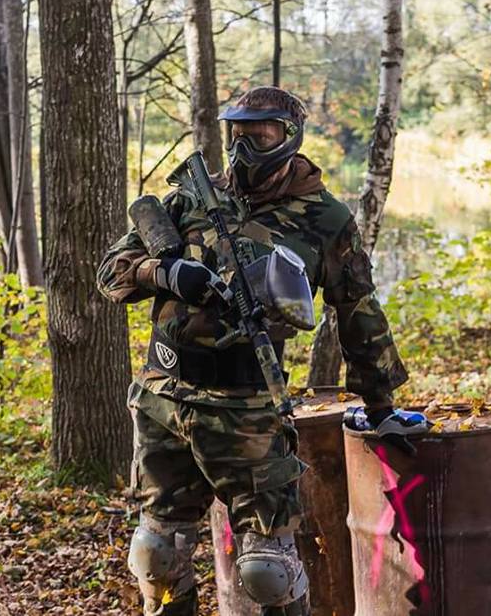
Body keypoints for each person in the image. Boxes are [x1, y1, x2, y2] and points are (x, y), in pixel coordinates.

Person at [96, 85, 424, 616]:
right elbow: (109, 276)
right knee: (157, 552)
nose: (245, 148)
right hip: (164, 396)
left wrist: (382, 407)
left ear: (290, 138)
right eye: (238, 135)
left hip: (246, 406)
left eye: (261, 135)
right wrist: (166, 272)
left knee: (267, 569)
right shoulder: (189, 199)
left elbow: (358, 311)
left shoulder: (325, 219)